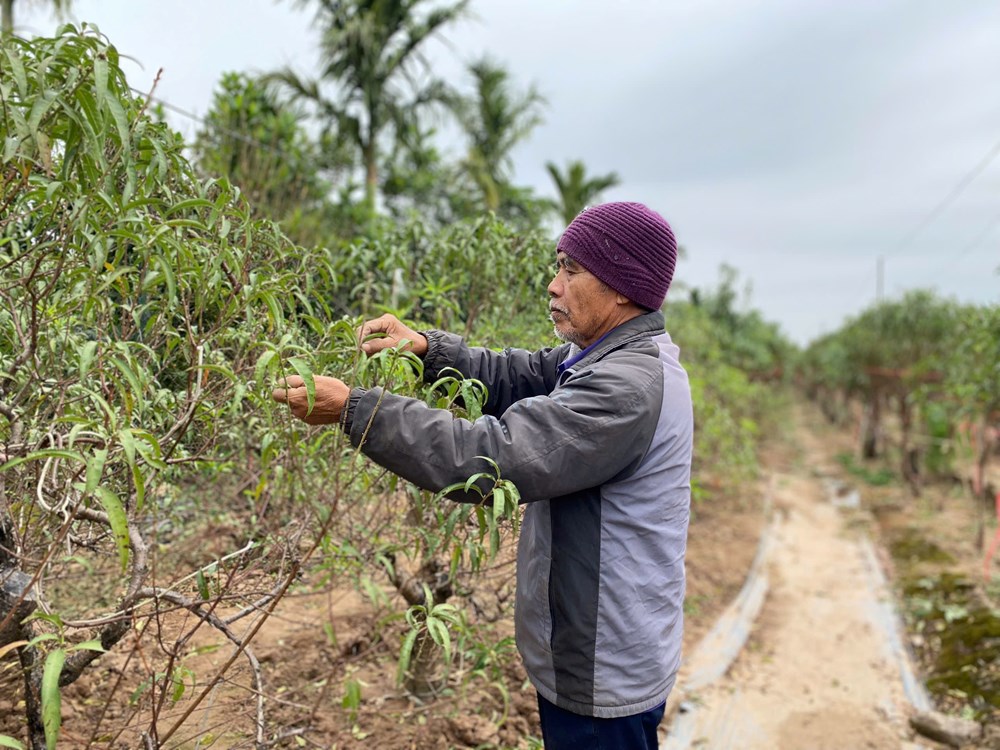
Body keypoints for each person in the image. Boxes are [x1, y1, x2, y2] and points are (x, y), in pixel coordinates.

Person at [273, 201, 693, 750]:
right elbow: (522, 374)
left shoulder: (625, 388)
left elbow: (491, 458)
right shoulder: (607, 358)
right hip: (602, 647)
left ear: (619, 287)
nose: (553, 285)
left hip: (602, 665)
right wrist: (426, 349)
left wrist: (358, 410)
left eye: (570, 269)